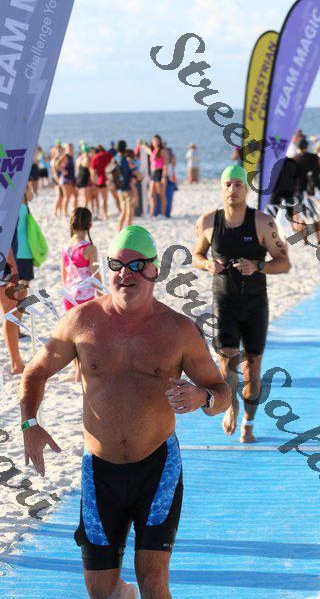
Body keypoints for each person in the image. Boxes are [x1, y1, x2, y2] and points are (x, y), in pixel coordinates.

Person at [19, 224, 230, 598]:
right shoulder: (81, 321)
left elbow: (222, 393)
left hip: (157, 469)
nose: (125, 273)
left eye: (136, 265)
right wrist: (30, 423)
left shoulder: (179, 330)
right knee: (101, 592)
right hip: (100, 473)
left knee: (154, 582)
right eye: (117, 264)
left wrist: (203, 399)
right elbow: (35, 371)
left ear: (155, 271)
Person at [193, 165, 291, 444]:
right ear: (221, 188)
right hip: (224, 303)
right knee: (226, 362)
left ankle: (249, 423)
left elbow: (283, 262)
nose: (232, 190)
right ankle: (231, 407)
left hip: (255, 305)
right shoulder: (208, 222)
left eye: (238, 184)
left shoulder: (263, 222)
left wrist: (258, 266)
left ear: (246, 189)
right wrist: (207, 264)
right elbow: (197, 255)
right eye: (228, 184)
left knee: (253, 366)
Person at [0, 182, 35, 374]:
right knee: (9, 315)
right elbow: (4, 243)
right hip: (5, 266)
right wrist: (13, 269)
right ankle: (16, 363)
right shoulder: (7, 210)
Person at [61, 207, 101, 381]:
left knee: (73, 332)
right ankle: (81, 371)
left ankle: (76, 369)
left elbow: (63, 276)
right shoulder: (90, 249)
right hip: (84, 294)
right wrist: (102, 293)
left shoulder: (66, 246)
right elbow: (94, 274)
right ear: (89, 225)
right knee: (84, 333)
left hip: (68, 293)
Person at [110, 140, 139, 231]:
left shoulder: (115, 158)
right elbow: (135, 171)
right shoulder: (126, 159)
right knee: (130, 213)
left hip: (119, 188)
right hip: (129, 188)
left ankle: (119, 231)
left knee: (123, 212)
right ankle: (128, 233)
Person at [143, 135, 168, 215]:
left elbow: (165, 164)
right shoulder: (153, 151)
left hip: (159, 173)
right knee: (151, 195)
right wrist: (142, 145)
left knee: (161, 194)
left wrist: (163, 177)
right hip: (153, 174)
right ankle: (152, 213)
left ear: (160, 141)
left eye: (157, 140)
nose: (155, 142)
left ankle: (163, 213)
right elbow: (147, 150)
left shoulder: (162, 151)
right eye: (154, 141)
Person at [90, 145, 113, 221]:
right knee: (104, 199)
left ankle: (97, 213)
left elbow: (93, 172)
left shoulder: (95, 157)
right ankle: (105, 215)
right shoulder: (109, 155)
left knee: (95, 198)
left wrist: (93, 183)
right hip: (106, 179)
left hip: (97, 180)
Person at [57, 143, 78, 217]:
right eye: (69, 148)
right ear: (66, 149)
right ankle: (64, 213)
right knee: (67, 197)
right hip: (66, 179)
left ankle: (75, 212)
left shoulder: (71, 156)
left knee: (75, 195)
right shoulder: (66, 156)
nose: (71, 149)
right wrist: (63, 171)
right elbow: (57, 163)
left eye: (72, 148)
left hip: (72, 178)